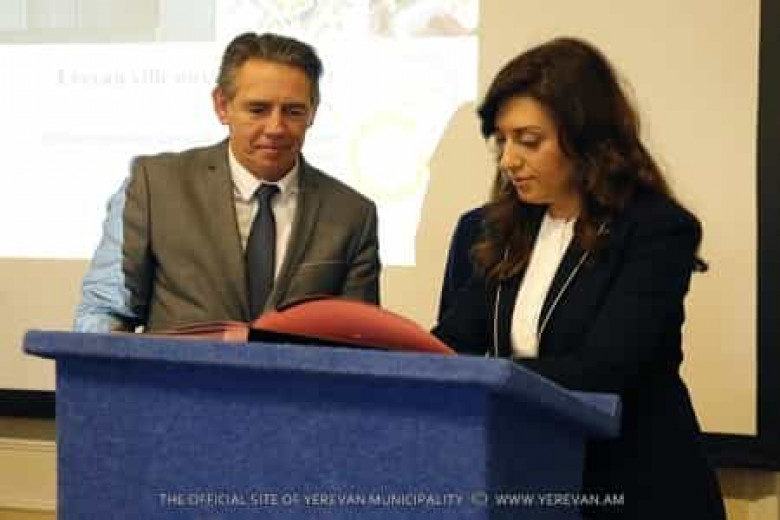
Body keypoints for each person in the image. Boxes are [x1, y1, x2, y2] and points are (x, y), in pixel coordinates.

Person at [432, 37, 725, 519]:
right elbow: (454, 340)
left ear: (586, 139)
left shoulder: (656, 229)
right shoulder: (497, 228)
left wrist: (480, 375)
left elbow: (603, 370)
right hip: (529, 476)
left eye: (528, 141)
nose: (508, 160)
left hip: (634, 486)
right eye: (502, 140)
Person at [74, 32, 381, 333]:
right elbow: (105, 311)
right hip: (178, 370)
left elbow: (359, 340)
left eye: (293, 111)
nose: (275, 127)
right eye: (258, 110)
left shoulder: (352, 214)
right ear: (222, 105)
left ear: (312, 112)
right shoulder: (153, 186)